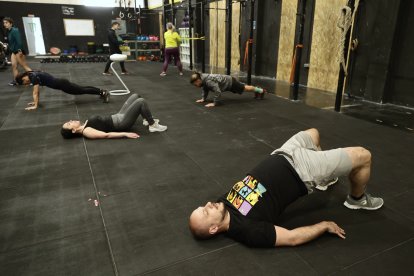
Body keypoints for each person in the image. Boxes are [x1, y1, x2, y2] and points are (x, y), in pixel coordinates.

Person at [189, 128, 384, 248]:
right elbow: (291, 238)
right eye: (205, 212)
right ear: (214, 228)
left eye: (202, 206)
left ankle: (325, 179)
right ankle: (357, 200)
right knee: (364, 155)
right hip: (303, 170)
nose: (208, 204)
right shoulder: (248, 231)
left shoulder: (221, 205)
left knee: (313, 133)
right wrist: (323, 225)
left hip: (283, 153)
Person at [61, 93, 167, 139]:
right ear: (73, 131)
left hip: (118, 115)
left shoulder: (85, 124)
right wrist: (126, 134)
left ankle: (146, 119)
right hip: (121, 123)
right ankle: (153, 125)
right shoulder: (86, 131)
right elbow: (106, 135)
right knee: (141, 102)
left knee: (135, 96)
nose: (71, 120)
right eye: (69, 124)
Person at [16, 71, 110, 110]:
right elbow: (36, 92)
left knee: (81, 90)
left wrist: (35, 105)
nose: (27, 83)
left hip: (62, 85)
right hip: (62, 83)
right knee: (82, 88)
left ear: (23, 78)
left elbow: (35, 92)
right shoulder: (32, 74)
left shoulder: (33, 77)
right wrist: (35, 102)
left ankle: (103, 92)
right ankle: (101, 91)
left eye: (25, 82)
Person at [190, 72, 267, 107]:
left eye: (195, 84)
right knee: (244, 87)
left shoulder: (208, 81)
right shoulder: (203, 78)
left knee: (244, 88)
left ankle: (261, 90)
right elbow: (205, 88)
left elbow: (217, 91)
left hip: (230, 83)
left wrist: (214, 103)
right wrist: (203, 98)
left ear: (198, 80)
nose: (195, 86)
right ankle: (257, 89)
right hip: (228, 81)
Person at [3, 17, 31, 86]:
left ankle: (34, 79)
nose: (5, 24)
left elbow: (19, 42)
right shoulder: (8, 31)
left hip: (18, 51)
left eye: (6, 23)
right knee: (14, 66)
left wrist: (20, 51)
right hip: (13, 52)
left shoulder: (15, 30)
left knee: (24, 66)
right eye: (4, 23)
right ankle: (16, 81)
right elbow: (12, 42)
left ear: (11, 23)